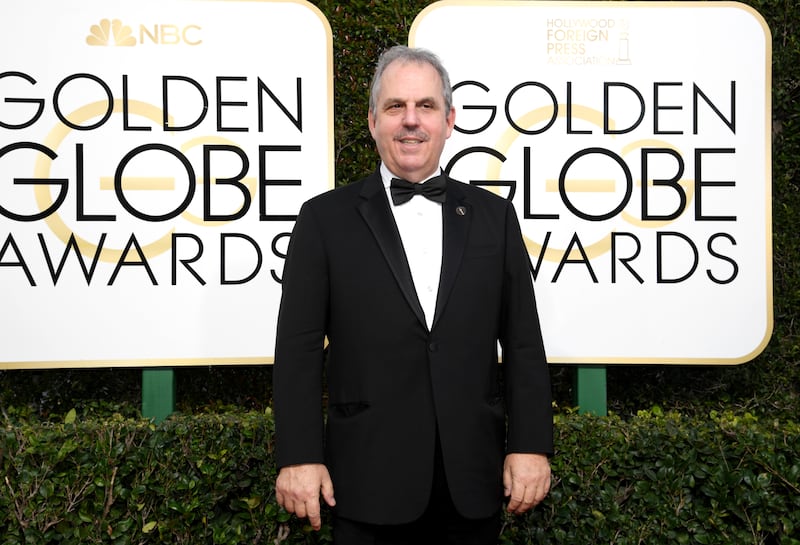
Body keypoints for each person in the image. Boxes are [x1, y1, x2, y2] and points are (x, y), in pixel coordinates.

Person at [273, 45, 553, 544]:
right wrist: (299, 456)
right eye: (395, 106)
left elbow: (523, 342)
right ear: (372, 121)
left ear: (449, 121)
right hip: (364, 479)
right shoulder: (323, 220)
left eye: (425, 106)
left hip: (472, 479)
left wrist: (530, 445)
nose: (410, 121)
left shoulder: (495, 218)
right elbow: (298, 349)